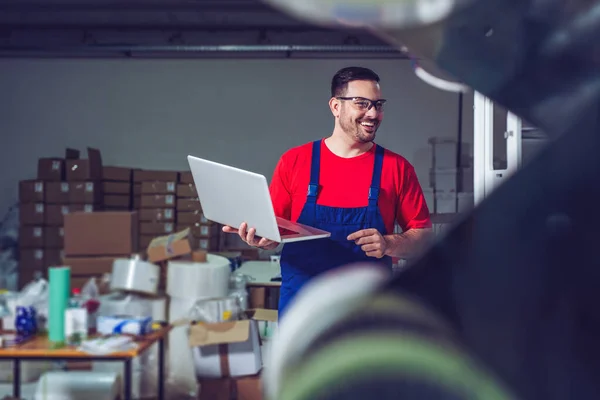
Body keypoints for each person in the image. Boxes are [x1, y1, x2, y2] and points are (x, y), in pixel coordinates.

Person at [223, 66, 433, 318]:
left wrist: (389, 243)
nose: (373, 113)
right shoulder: (295, 161)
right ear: (335, 106)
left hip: (368, 311)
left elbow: (424, 239)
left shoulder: (396, 168)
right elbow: (273, 232)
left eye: (378, 104)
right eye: (362, 103)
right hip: (303, 311)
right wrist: (261, 239)